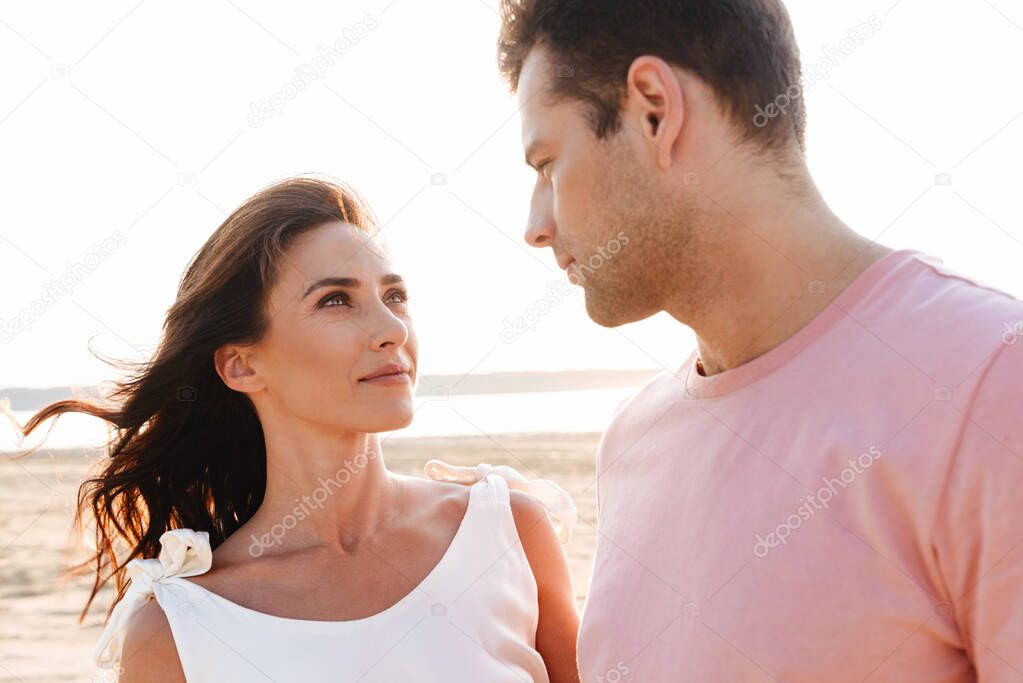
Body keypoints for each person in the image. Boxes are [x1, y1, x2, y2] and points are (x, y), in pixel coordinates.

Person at [487, 0, 1023, 680]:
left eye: (546, 163)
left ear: (654, 109)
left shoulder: (993, 381)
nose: (535, 224)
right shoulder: (632, 441)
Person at [22, 177, 580, 681]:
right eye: (336, 300)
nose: (391, 329)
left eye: (394, 296)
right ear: (242, 365)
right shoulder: (181, 629)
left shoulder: (506, 531)